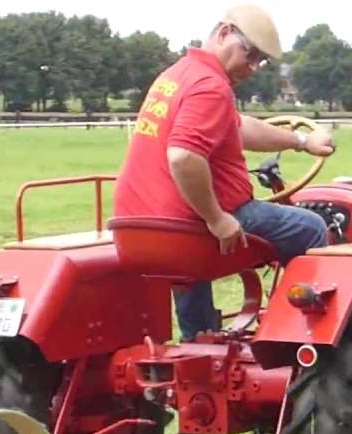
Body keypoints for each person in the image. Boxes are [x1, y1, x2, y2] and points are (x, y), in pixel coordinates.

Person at [113, 4, 337, 340]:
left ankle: (199, 342)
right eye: (250, 55)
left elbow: (239, 128)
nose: (253, 67)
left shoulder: (176, 76)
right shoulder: (211, 86)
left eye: (260, 61)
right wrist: (217, 218)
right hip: (187, 223)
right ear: (223, 33)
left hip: (142, 222)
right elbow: (184, 156)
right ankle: (293, 338)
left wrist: (301, 141)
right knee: (310, 228)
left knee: (188, 262)